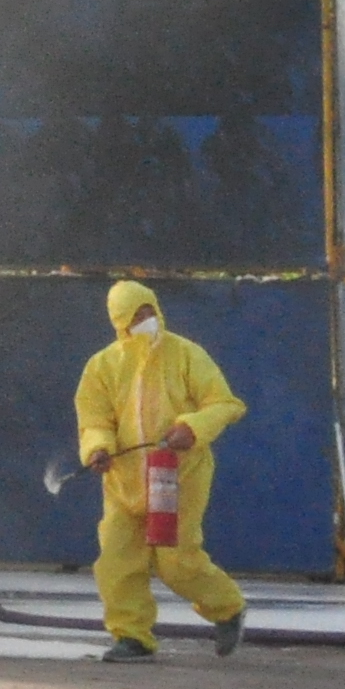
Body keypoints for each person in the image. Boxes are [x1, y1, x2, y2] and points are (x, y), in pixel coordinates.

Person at [76, 278, 250, 664]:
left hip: (179, 477)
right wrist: (98, 449)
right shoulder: (102, 367)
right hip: (123, 482)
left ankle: (227, 608)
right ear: (118, 321)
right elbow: (94, 419)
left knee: (177, 562)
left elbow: (225, 403)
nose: (145, 320)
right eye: (135, 315)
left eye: (148, 310)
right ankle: (132, 637)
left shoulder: (187, 355)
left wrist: (193, 427)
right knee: (117, 563)